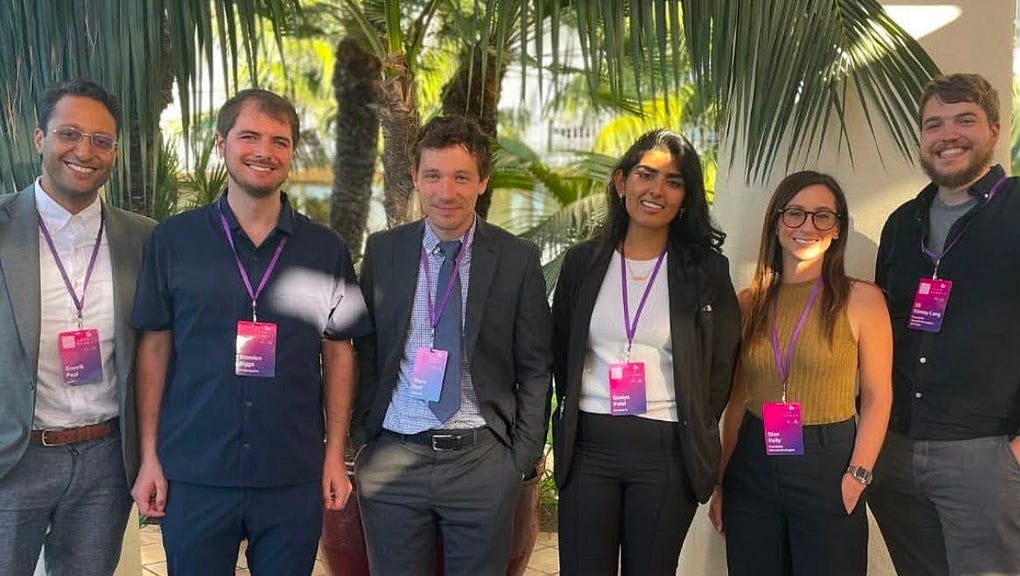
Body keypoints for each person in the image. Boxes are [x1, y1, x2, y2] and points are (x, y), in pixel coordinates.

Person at [130, 88, 371, 575]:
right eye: (249, 137)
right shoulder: (173, 240)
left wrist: (333, 456)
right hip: (195, 470)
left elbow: (339, 351)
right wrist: (149, 456)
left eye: (280, 141)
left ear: (291, 153)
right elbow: (154, 347)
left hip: (291, 472)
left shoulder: (326, 249)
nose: (264, 152)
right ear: (221, 143)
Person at [351, 115, 552, 576]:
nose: (446, 192)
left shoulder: (516, 259)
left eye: (461, 177)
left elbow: (536, 367)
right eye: (434, 176)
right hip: (393, 456)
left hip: (481, 461)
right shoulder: (384, 251)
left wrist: (519, 458)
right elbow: (366, 348)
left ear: (482, 181)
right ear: (417, 179)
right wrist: (365, 437)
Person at [550, 129, 741, 576]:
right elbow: (562, 350)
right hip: (588, 446)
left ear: (686, 197)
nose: (657, 190)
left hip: (666, 452)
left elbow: (720, 366)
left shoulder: (706, 271)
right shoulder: (582, 262)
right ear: (621, 182)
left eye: (673, 181)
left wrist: (695, 415)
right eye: (645, 174)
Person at [868, 73, 1020, 575]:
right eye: (933, 123)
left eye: (964, 120)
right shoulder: (901, 223)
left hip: (986, 456)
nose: (947, 134)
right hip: (894, 455)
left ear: (995, 129)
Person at [0, 79, 155, 575]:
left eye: (101, 140)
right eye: (69, 133)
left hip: (105, 464)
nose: (84, 151)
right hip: (14, 458)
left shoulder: (144, 239)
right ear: (40, 138)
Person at [707, 170, 892, 575]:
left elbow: (879, 397)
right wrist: (722, 481)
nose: (807, 226)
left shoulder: (863, 300)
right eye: (795, 214)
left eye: (822, 216)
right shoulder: (748, 302)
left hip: (828, 465)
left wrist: (857, 476)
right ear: (776, 223)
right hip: (753, 462)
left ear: (837, 230)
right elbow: (738, 398)